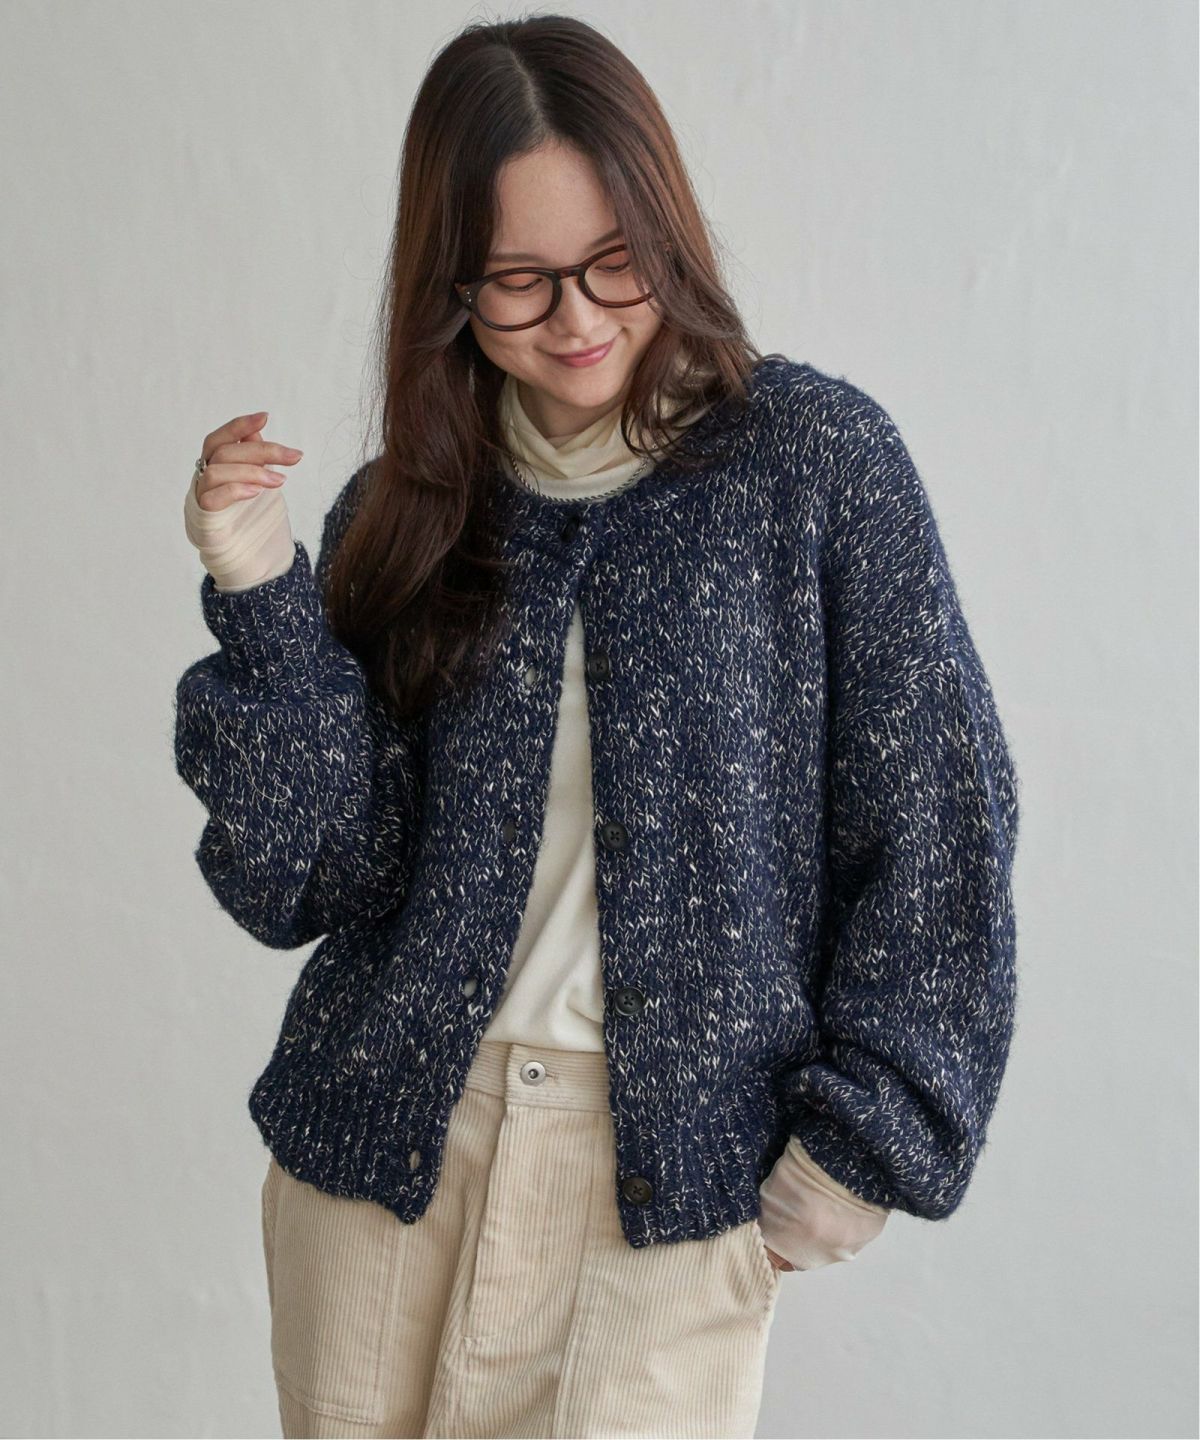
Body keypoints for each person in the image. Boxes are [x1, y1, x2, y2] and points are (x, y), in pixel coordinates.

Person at [174, 14, 1020, 1440]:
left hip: (661, 1200)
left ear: (666, 233)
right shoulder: (405, 510)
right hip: (382, 1178)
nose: (576, 318)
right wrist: (263, 594)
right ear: (449, 286)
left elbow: (937, 821)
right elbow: (308, 879)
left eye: (614, 261)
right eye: (519, 280)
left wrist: (864, 1146)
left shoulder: (814, 465)